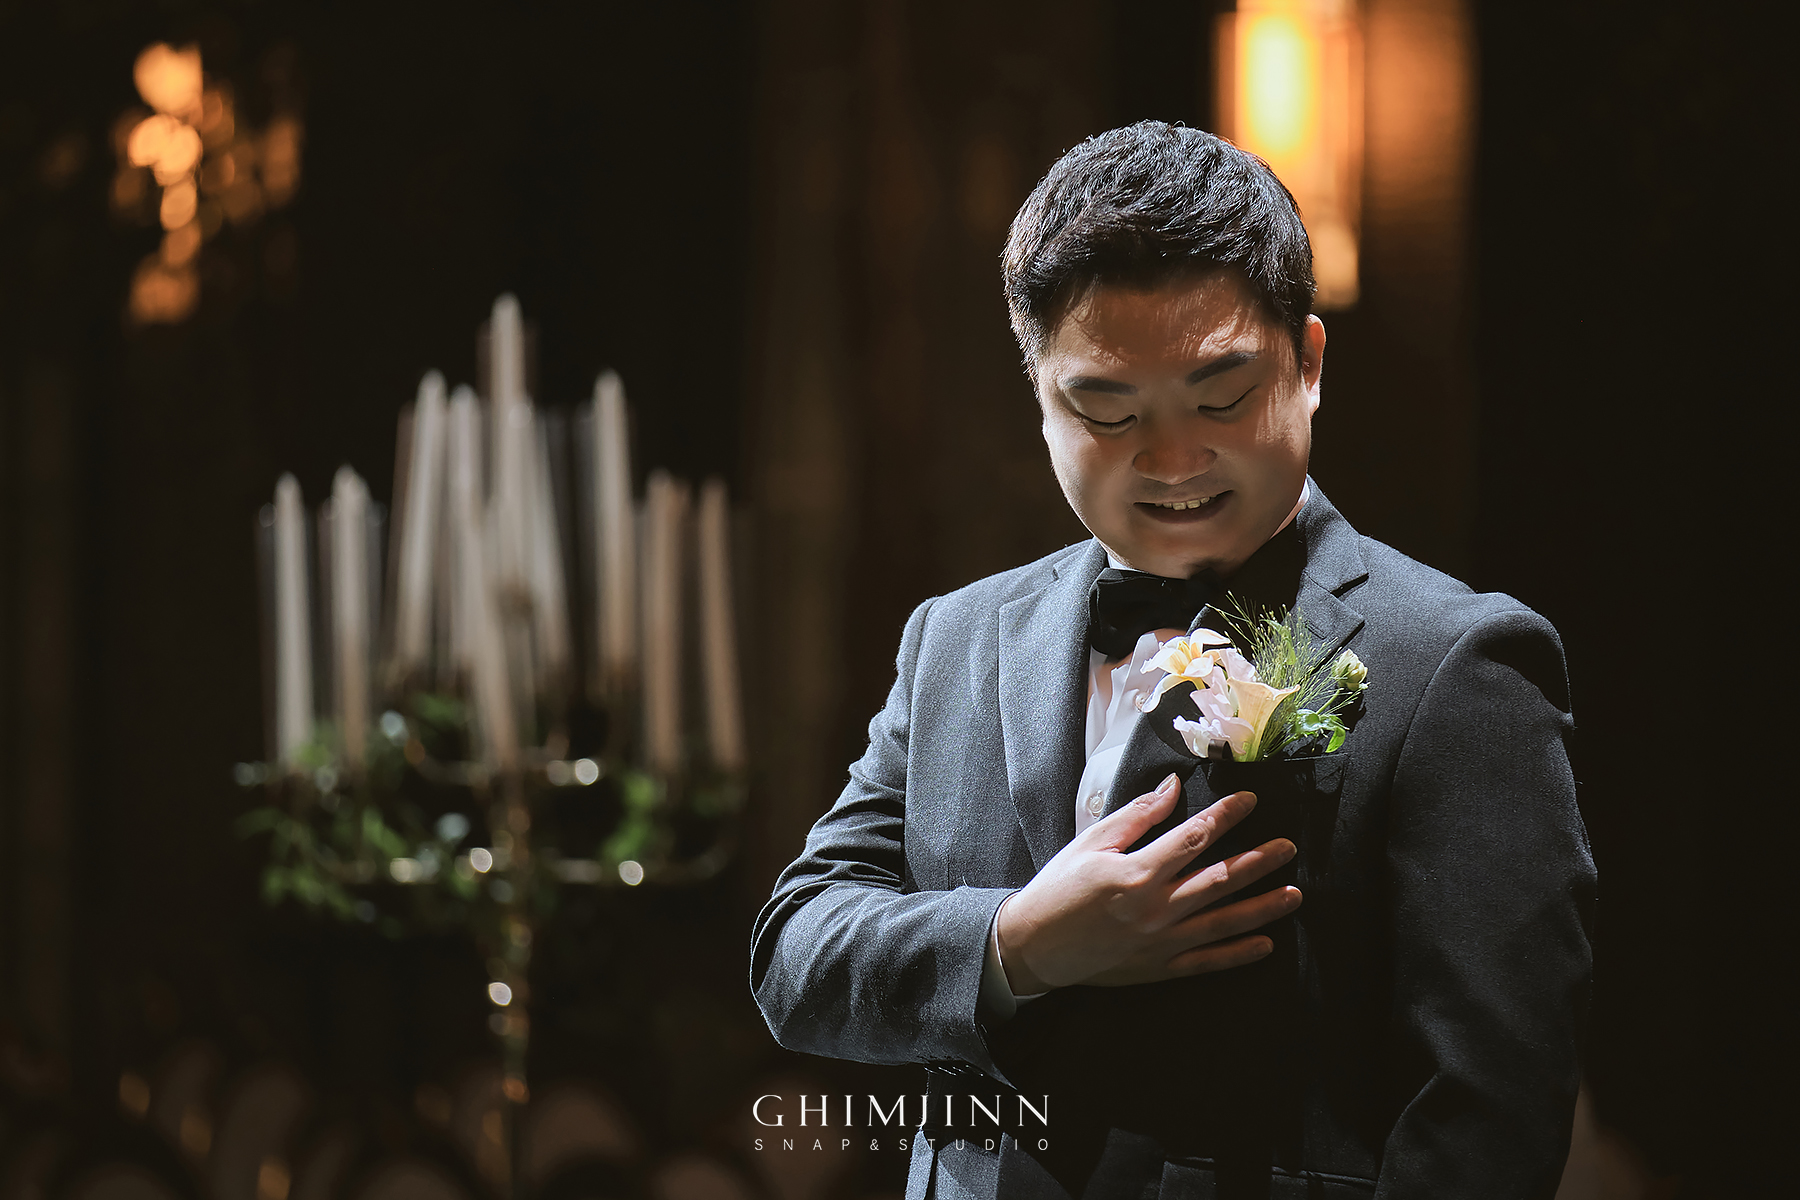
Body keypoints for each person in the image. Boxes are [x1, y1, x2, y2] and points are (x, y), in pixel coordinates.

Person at [750, 121, 1595, 1199]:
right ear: (1039, 397)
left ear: (1309, 363)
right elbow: (796, 957)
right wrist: (1020, 942)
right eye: (1108, 411)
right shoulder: (954, 637)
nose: (1173, 458)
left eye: (1220, 398)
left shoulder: (1457, 661)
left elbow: (1490, 1113)